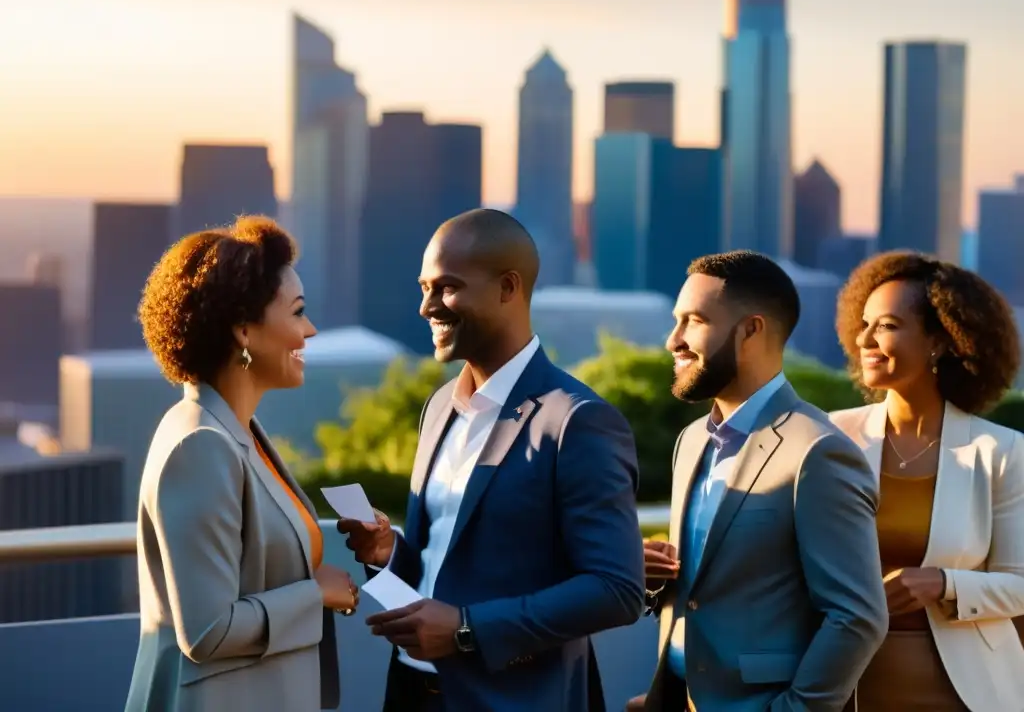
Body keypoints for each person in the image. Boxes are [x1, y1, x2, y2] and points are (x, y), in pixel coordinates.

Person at [337, 208, 646, 711]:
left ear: (508, 288)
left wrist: (464, 630)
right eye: (424, 288)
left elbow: (616, 589)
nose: (427, 307)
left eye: (446, 287)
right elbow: (443, 563)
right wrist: (388, 553)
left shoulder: (578, 421)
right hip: (413, 696)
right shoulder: (440, 407)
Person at [628, 251, 888, 712]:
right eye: (676, 320)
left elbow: (857, 616)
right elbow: (712, 586)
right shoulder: (690, 441)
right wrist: (656, 578)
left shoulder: (819, 451)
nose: (674, 340)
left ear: (751, 329)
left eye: (694, 321)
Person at [125, 216, 357, 712]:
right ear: (244, 330)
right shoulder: (201, 445)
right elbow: (207, 631)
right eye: (297, 312)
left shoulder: (236, 429)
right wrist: (315, 595)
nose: (309, 330)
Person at [829, 251, 1024, 711]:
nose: (865, 339)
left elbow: (1020, 583)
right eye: (864, 323)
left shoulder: (1002, 453)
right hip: (844, 687)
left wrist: (944, 583)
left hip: (965, 693)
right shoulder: (829, 438)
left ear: (940, 341)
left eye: (888, 326)